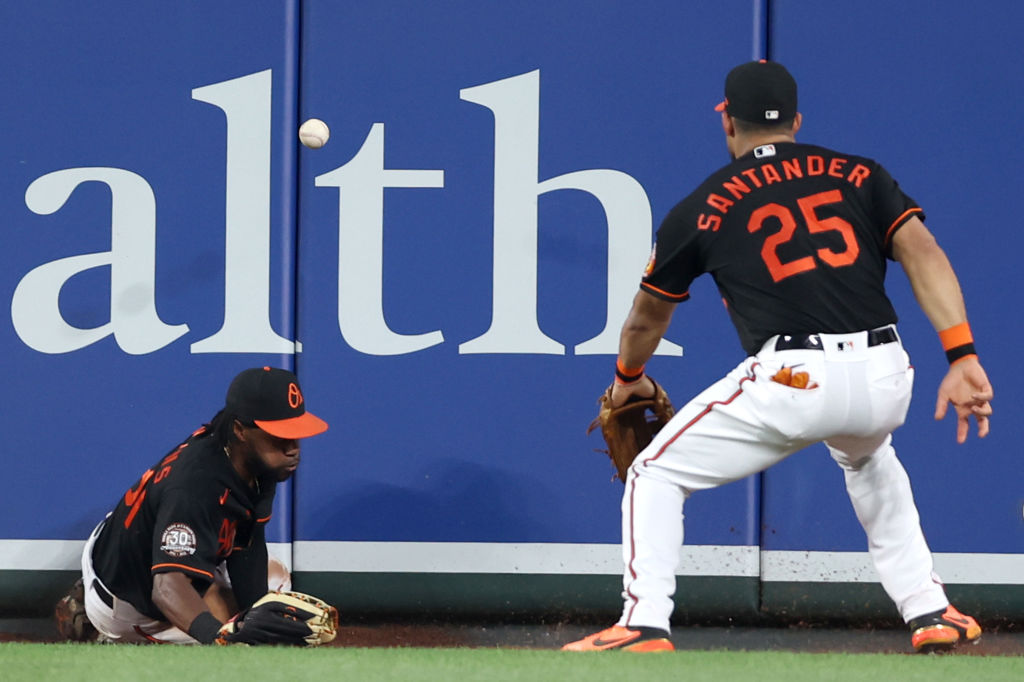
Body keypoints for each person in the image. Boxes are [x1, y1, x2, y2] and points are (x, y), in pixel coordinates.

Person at [562, 61, 992, 654]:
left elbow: (647, 316)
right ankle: (931, 612)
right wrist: (962, 354)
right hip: (887, 373)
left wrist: (627, 378)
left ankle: (643, 623)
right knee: (869, 458)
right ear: (795, 119)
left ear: (727, 124)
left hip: (795, 376)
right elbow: (923, 249)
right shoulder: (860, 175)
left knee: (654, 472)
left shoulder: (703, 204)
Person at [58, 366, 328, 644]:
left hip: (131, 541)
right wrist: (221, 638)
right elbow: (166, 588)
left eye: (296, 433)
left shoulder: (247, 455)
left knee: (274, 587)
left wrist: (253, 614)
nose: (292, 447)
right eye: (279, 435)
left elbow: (246, 545)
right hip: (127, 599)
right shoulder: (196, 486)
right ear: (240, 430)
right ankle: (101, 628)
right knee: (225, 628)